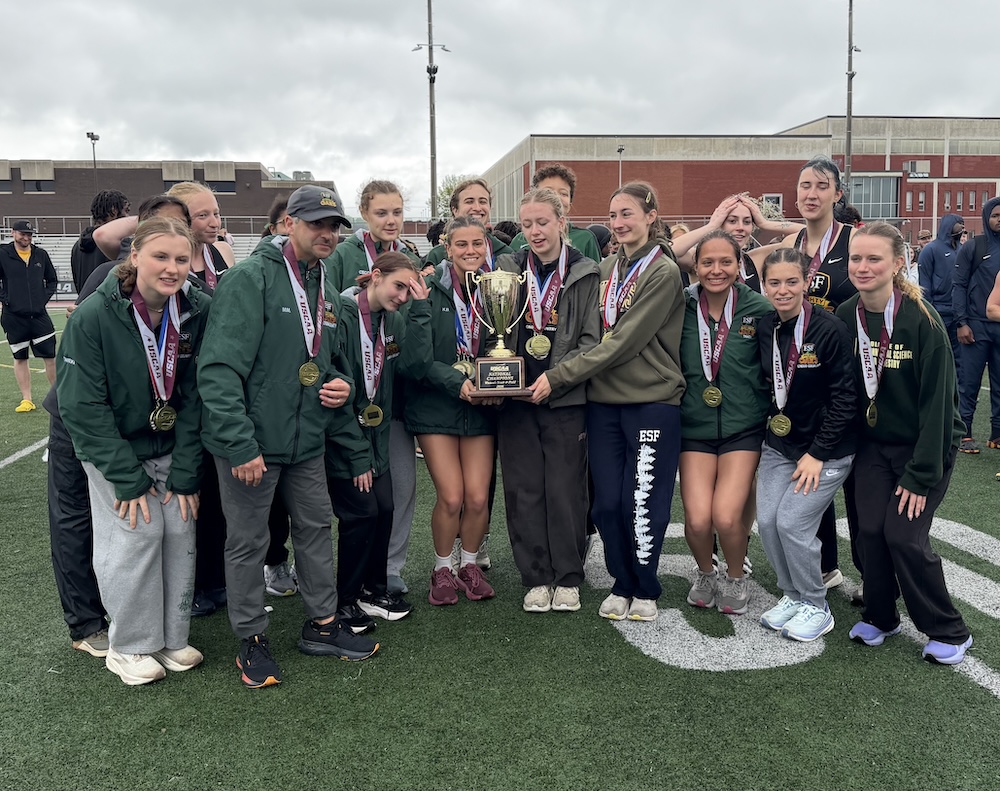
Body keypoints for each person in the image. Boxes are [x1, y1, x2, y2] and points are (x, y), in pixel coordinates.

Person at [198, 184, 378, 688]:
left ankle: (322, 623)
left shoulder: (323, 283)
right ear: (287, 224)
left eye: (333, 226)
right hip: (252, 444)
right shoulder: (248, 279)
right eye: (316, 223)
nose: (326, 233)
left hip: (305, 441)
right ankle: (251, 638)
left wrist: (339, 385)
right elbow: (217, 371)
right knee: (249, 542)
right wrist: (239, 443)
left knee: (318, 528)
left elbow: (328, 365)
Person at [56, 217, 210, 685]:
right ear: (135, 257)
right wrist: (126, 475)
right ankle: (129, 646)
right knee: (137, 531)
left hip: (169, 442)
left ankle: (169, 638)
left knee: (180, 526)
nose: (172, 268)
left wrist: (186, 470)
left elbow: (197, 396)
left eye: (181, 259)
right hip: (113, 447)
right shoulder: (95, 315)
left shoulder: (196, 310)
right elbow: (83, 405)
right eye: (160, 257)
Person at [530, 182, 684, 622]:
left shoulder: (663, 272)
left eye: (627, 214)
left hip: (652, 400)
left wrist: (558, 375)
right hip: (602, 402)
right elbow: (588, 331)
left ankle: (646, 587)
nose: (618, 224)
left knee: (643, 501)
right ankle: (621, 581)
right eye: (613, 216)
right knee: (605, 504)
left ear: (651, 215)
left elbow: (621, 343)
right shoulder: (606, 266)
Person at [836, 222, 973, 665]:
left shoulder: (922, 319)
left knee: (904, 536)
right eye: (856, 258)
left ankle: (949, 629)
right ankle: (881, 616)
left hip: (925, 446)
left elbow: (939, 407)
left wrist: (920, 474)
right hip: (874, 448)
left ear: (898, 263)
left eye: (874, 258)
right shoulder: (844, 314)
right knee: (869, 532)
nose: (862, 266)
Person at [491, 188, 599, 614]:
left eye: (542, 222)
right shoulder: (507, 269)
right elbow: (492, 330)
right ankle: (536, 576)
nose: (534, 231)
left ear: (561, 222)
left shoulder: (586, 271)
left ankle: (568, 576)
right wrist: (500, 377)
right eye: (527, 224)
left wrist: (555, 378)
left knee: (566, 489)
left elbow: (592, 342)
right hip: (516, 398)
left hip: (566, 397)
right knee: (523, 489)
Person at [327, 180, 429, 594]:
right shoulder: (341, 254)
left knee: (395, 492)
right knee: (353, 500)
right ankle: (340, 581)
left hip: (391, 401)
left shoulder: (412, 257)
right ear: (365, 214)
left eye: (398, 212)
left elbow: (410, 349)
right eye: (382, 212)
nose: (391, 220)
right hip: (345, 401)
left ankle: (387, 569)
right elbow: (327, 309)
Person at [755, 248, 856, 641]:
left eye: (791, 282)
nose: (783, 291)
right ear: (764, 286)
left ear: (806, 281)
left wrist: (817, 453)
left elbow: (846, 398)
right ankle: (793, 594)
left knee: (791, 523)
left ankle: (817, 603)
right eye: (774, 283)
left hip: (828, 449)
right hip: (780, 443)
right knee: (766, 521)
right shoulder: (766, 326)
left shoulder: (829, 330)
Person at [677, 231, 773, 616]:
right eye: (707, 262)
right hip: (693, 427)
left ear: (739, 265)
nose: (716, 270)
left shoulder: (760, 308)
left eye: (726, 262)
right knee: (699, 521)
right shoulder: (679, 305)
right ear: (695, 267)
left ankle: (735, 576)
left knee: (727, 516)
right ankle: (705, 573)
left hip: (742, 427)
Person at [405, 216, 498, 606]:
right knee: (452, 496)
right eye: (462, 244)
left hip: (480, 407)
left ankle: (470, 565)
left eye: (478, 243)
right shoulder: (429, 288)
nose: (471, 251)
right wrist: (457, 383)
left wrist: (498, 382)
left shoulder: (496, 288)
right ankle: (442, 569)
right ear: (447, 247)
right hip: (437, 406)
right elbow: (416, 360)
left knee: (478, 498)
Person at [671, 194, 802, 292]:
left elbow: (806, 235)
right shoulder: (701, 258)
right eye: (732, 221)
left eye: (747, 222)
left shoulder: (754, 260)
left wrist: (765, 223)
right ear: (720, 223)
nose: (740, 227)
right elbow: (669, 250)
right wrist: (711, 226)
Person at [952, 197, 1000, 453]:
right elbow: (958, 285)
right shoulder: (974, 246)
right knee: (968, 383)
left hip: (999, 325)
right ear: (986, 218)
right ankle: (964, 432)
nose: (999, 219)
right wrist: (962, 322)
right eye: (995, 215)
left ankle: (998, 433)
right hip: (975, 326)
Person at [0, 220, 58, 412]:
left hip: (39, 315)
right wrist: (6, 299)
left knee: (50, 356)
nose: (26, 238)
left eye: (29, 235)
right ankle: (27, 399)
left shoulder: (40, 254)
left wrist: (42, 299)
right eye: (23, 234)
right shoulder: (3, 254)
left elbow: (51, 279)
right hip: (13, 316)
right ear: (13, 233)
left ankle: (57, 397)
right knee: (20, 357)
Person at [508, 164, 602, 263]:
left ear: (570, 203)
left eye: (563, 193)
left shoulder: (585, 238)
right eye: (548, 192)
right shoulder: (519, 240)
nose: (556, 197)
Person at [918, 213, 965, 394]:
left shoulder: (962, 249)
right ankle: (935, 391)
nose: (961, 228)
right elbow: (925, 284)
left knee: (960, 357)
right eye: (957, 224)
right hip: (938, 311)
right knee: (937, 353)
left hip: (958, 313)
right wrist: (929, 310)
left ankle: (958, 392)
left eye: (962, 224)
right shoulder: (930, 250)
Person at [422, 178, 515, 269]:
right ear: (455, 210)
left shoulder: (507, 253)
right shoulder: (437, 256)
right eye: (469, 201)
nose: (477, 208)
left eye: (483, 201)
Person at [70, 190, 130, 293]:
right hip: (108, 307)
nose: (128, 217)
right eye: (126, 211)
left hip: (85, 305)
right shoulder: (118, 244)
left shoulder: (77, 246)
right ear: (114, 211)